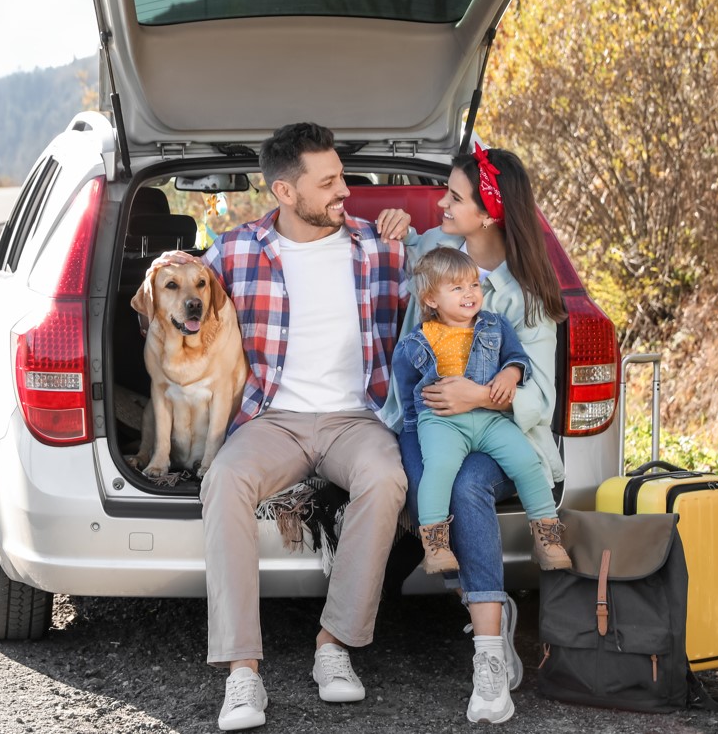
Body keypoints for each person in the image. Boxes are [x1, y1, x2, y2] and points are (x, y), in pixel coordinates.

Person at [172, 122, 412, 731]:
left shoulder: (380, 245)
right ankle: (242, 671)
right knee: (225, 480)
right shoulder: (235, 251)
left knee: (386, 478)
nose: (344, 191)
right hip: (272, 418)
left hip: (356, 416)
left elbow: (456, 278)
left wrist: (413, 230)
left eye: (342, 177)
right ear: (285, 191)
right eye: (328, 182)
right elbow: (180, 304)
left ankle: (334, 644)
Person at [383, 145, 568, 725]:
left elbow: (540, 398)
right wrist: (391, 226)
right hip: (429, 422)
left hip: (501, 430)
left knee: (465, 487)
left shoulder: (526, 295)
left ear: (488, 214)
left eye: (455, 197)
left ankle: (487, 655)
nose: (441, 203)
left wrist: (479, 395)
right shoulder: (433, 252)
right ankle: (488, 606)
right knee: (427, 487)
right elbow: (388, 247)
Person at [392, 246, 571, 574]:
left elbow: (517, 357)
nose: (469, 293)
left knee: (527, 462)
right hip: (443, 422)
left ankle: (547, 538)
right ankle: (435, 545)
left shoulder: (495, 325)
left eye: (474, 284)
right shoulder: (416, 341)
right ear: (431, 299)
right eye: (457, 288)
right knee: (439, 469)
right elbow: (406, 387)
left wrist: (510, 374)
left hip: (491, 418)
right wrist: (418, 428)